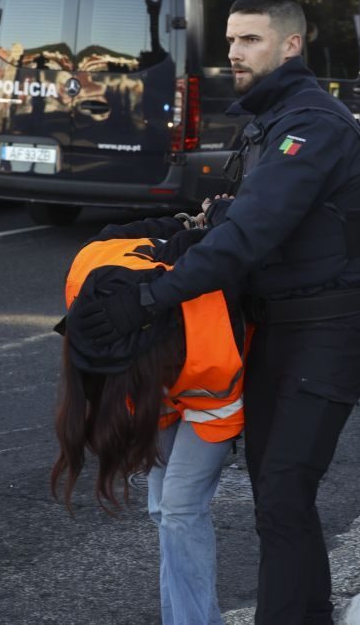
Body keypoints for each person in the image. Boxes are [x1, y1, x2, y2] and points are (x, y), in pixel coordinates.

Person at [70, 0, 360, 622]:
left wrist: (151, 297)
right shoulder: (270, 120)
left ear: (291, 44)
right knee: (280, 497)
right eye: (232, 40)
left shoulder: (311, 126)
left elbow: (251, 235)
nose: (234, 53)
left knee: (283, 494)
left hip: (327, 332)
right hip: (280, 331)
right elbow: (228, 219)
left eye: (251, 40)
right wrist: (162, 238)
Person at [52, 214, 245, 625]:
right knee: (162, 508)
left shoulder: (212, 347)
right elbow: (117, 233)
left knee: (179, 508)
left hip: (208, 372)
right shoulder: (85, 279)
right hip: (156, 363)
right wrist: (181, 221)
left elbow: (219, 410)